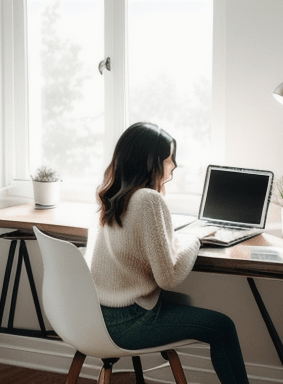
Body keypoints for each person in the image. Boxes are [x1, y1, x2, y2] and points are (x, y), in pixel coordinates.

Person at [85, 122, 249, 384]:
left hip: (97, 316)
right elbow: (168, 277)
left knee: (184, 304)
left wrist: (174, 240)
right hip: (130, 322)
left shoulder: (112, 194)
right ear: (152, 161)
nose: (173, 164)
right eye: (169, 157)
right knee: (223, 327)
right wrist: (194, 239)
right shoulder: (148, 200)